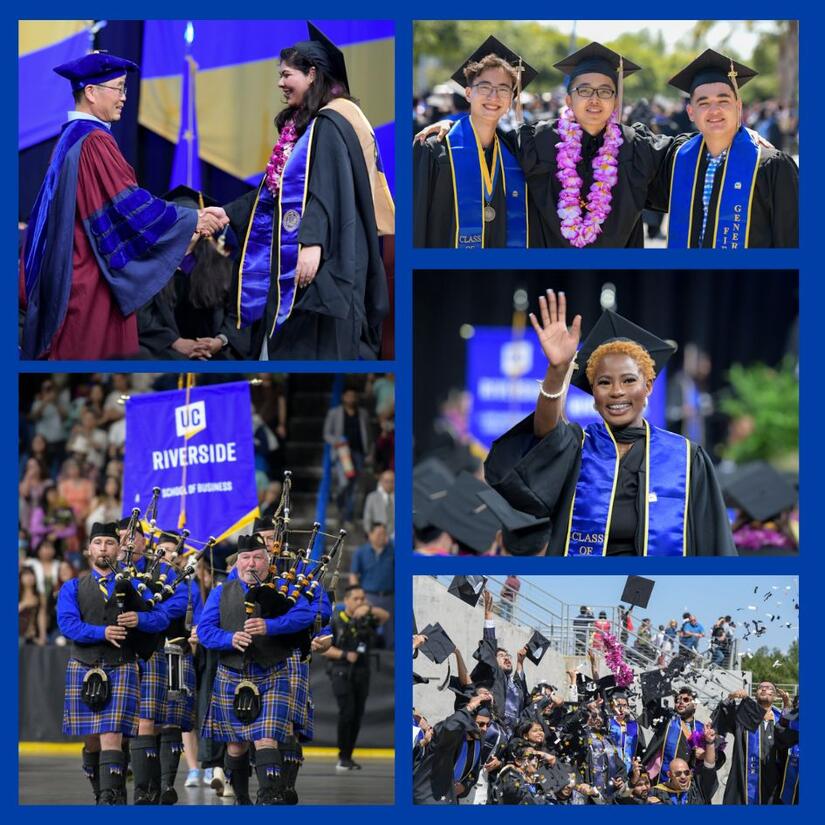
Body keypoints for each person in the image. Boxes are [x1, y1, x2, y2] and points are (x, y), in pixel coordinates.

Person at [484, 292, 736, 555]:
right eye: (604, 382)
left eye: (629, 380)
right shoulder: (578, 449)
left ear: (647, 387)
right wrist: (557, 371)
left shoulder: (685, 458)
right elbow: (547, 431)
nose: (617, 391)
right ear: (593, 393)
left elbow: (715, 544)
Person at [20, 52, 228, 360]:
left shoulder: (68, 140)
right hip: (91, 277)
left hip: (70, 269)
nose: (124, 98)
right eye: (118, 88)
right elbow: (126, 205)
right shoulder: (94, 142)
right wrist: (191, 219)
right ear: (91, 92)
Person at [221, 22, 393, 360]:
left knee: (317, 346)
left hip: (324, 260)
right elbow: (279, 191)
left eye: (287, 75)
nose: (280, 83)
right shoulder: (313, 126)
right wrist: (227, 213)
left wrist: (312, 242)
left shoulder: (330, 122)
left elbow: (327, 189)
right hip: (311, 255)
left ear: (312, 74)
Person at [197, 535, 316, 804]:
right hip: (232, 673)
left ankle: (268, 797)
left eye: (258, 557)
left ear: (268, 560)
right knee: (236, 745)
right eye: (246, 558)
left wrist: (268, 626)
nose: (252, 563)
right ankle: (242, 799)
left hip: (272, 671)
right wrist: (229, 639)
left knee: (267, 737)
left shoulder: (284, 588)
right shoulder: (221, 592)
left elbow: (305, 615)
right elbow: (205, 631)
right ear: (237, 562)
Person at [56, 522, 169, 804]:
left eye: (109, 543)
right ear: (88, 550)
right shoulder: (72, 587)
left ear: (119, 550)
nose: (103, 548)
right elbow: (67, 625)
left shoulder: (135, 586)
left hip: (122, 665)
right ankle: (100, 792)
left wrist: (140, 619)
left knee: (112, 734)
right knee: (93, 739)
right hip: (84, 665)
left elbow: (161, 619)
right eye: (98, 543)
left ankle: (112, 798)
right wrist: (102, 632)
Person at [649, 50, 798, 248]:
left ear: (738, 106)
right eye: (704, 103)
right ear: (691, 112)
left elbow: (792, 242)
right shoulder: (677, 160)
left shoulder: (772, 167)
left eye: (723, 101)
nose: (714, 111)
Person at [413, 37, 535, 248]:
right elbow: (414, 225)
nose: (494, 96)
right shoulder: (434, 149)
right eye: (485, 87)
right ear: (469, 93)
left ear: (511, 100)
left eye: (503, 89)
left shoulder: (516, 151)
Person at [323, 584, 389, 772]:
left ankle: (348, 757)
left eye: (363, 598)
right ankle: (342, 756)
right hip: (341, 671)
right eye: (356, 599)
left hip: (362, 671)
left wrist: (367, 609)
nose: (360, 602)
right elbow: (323, 647)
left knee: (358, 714)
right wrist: (344, 655)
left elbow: (385, 616)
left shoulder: (366, 619)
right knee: (348, 712)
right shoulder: (336, 619)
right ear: (347, 600)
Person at [714, 683, 790, 804]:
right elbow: (724, 719)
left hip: (773, 784)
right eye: (761, 688)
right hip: (744, 782)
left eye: (769, 688)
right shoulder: (744, 715)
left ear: (775, 696)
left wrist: (787, 707)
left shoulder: (780, 720)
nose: (764, 689)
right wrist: (731, 697)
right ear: (755, 694)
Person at [413, 693, 492, 804]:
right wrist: (470, 707)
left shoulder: (478, 742)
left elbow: (473, 773)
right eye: (481, 724)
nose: (485, 729)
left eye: (488, 724)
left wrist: (464, 787)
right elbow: (449, 726)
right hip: (429, 798)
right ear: (469, 722)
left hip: (450, 799)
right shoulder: (447, 738)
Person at [470, 590, 529, 734]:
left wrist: (520, 663)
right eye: (502, 655)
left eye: (508, 655)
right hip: (488, 729)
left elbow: (522, 694)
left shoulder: (511, 683)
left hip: (509, 735)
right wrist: (488, 617)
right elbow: (489, 651)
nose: (507, 657)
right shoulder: (490, 673)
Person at [323, 387, 372, 527]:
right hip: (342, 452)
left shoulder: (362, 413)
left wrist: (369, 452)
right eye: (348, 396)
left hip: (358, 453)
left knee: (355, 486)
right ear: (343, 397)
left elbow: (368, 434)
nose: (351, 398)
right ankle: (339, 505)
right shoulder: (335, 413)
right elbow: (327, 434)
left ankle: (348, 515)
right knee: (344, 483)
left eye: (353, 396)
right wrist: (337, 442)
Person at [642, 686, 706, 783]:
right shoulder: (667, 718)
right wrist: (660, 675)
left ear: (695, 704)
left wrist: (704, 754)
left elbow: (712, 757)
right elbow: (651, 704)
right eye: (677, 700)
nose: (680, 702)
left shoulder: (700, 728)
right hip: (658, 780)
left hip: (685, 783)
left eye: (685, 699)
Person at [349, 523, 394, 648]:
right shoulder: (361, 552)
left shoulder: (393, 551)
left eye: (384, 534)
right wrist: (358, 596)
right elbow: (353, 575)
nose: (382, 537)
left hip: (389, 596)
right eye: (379, 534)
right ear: (370, 535)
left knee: (391, 632)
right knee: (367, 630)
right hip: (369, 597)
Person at [649, 738, 719, 805]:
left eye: (686, 773)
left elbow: (709, 767)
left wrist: (710, 742)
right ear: (669, 774)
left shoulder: (697, 789)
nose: (683, 776)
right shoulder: (656, 793)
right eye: (678, 774)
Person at [362, 470, 395, 537]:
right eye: (386, 481)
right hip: (378, 537)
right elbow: (367, 519)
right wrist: (371, 535)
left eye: (392, 481)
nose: (389, 484)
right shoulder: (372, 497)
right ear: (381, 482)